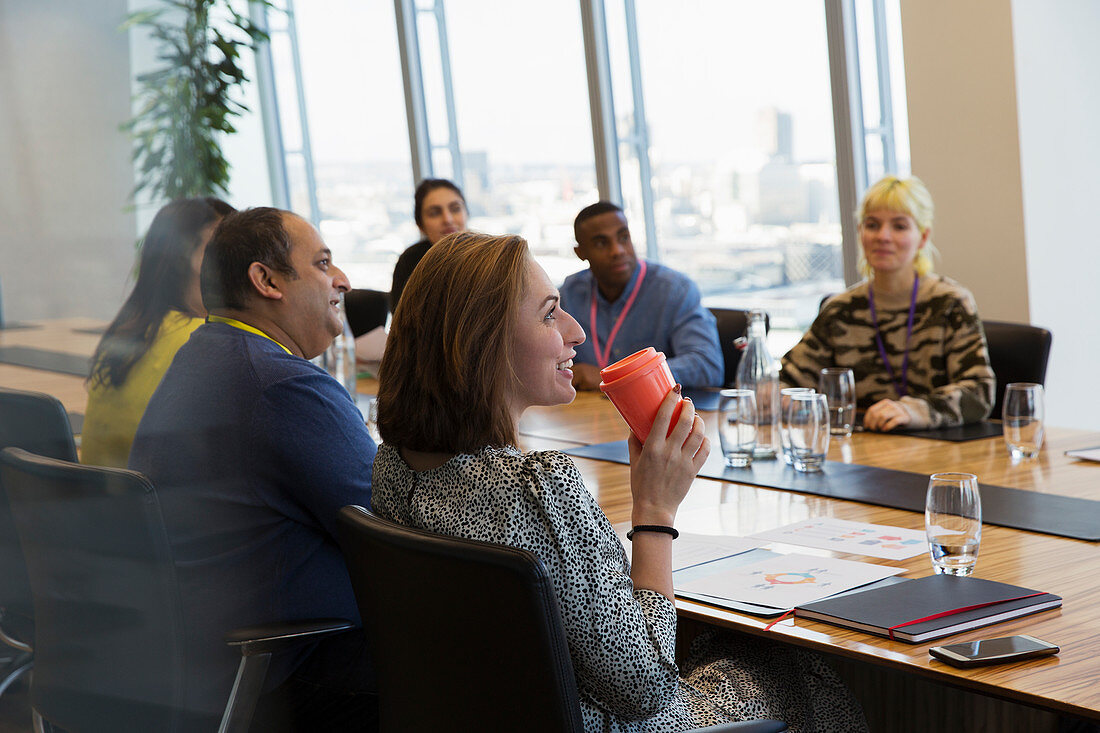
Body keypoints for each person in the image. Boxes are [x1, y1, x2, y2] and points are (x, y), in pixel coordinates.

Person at [372, 231, 867, 732]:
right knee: (797, 668)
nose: (575, 332)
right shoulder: (537, 487)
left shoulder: (393, 462)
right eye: (549, 314)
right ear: (483, 340)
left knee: (731, 646)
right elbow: (646, 690)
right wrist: (655, 510)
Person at [128, 207, 378, 730]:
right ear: (265, 280)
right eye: (323, 262)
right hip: (290, 675)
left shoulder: (206, 355)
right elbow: (394, 524)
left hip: (213, 663)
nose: (343, 280)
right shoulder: (280, 385)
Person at [780, 176, 995, 432]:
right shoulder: (840, 310)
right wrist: (778, 398)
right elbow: (788, 381)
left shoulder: (949, 303)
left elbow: (979, 393)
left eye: (899, 226)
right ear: (860, 233)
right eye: (872, 225)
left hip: (936, 452)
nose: (883, 236)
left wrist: (913, 410)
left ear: (923, 237)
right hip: (860, 452)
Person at [81, 197, 235, 468]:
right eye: (225, 247)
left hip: (107, 503)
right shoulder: (200, 341)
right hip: (157, 505)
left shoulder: (130, 329)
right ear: (188, 258)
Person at [560, 201, 723, 390]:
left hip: (656, 416)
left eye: (623, 237)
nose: (617, 251)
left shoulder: (674, 290)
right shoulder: (569, 294)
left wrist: (616, 378)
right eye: (601, 243)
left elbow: (708, 365)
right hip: (588, 415)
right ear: (580, 253)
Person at [389, 178, 467, 312]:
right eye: (435, 213)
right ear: (420, 225)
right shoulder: (410, 261)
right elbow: (400, 321)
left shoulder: (489, 256)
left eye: (455, 209)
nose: (447, 219)